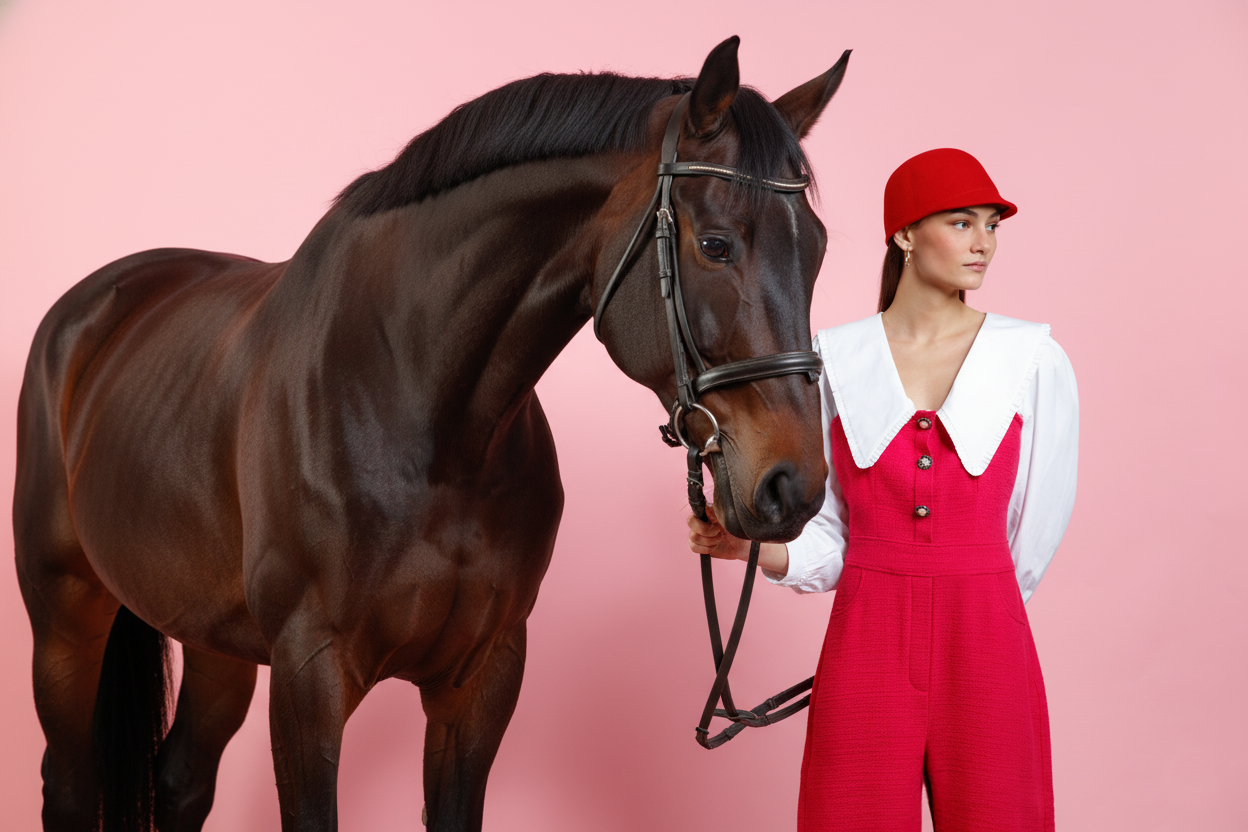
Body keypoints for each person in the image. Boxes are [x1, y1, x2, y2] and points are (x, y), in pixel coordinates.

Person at [687, 148, 1078, 831]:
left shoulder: (1032, 359)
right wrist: (746, 547)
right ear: (903, 234)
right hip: (866, 643)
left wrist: (981, 605)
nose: (983, 242)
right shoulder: (834, 359)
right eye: (961, 223)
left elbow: (1035, 530)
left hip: (988, 640)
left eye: (991, 225)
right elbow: (832, 539)